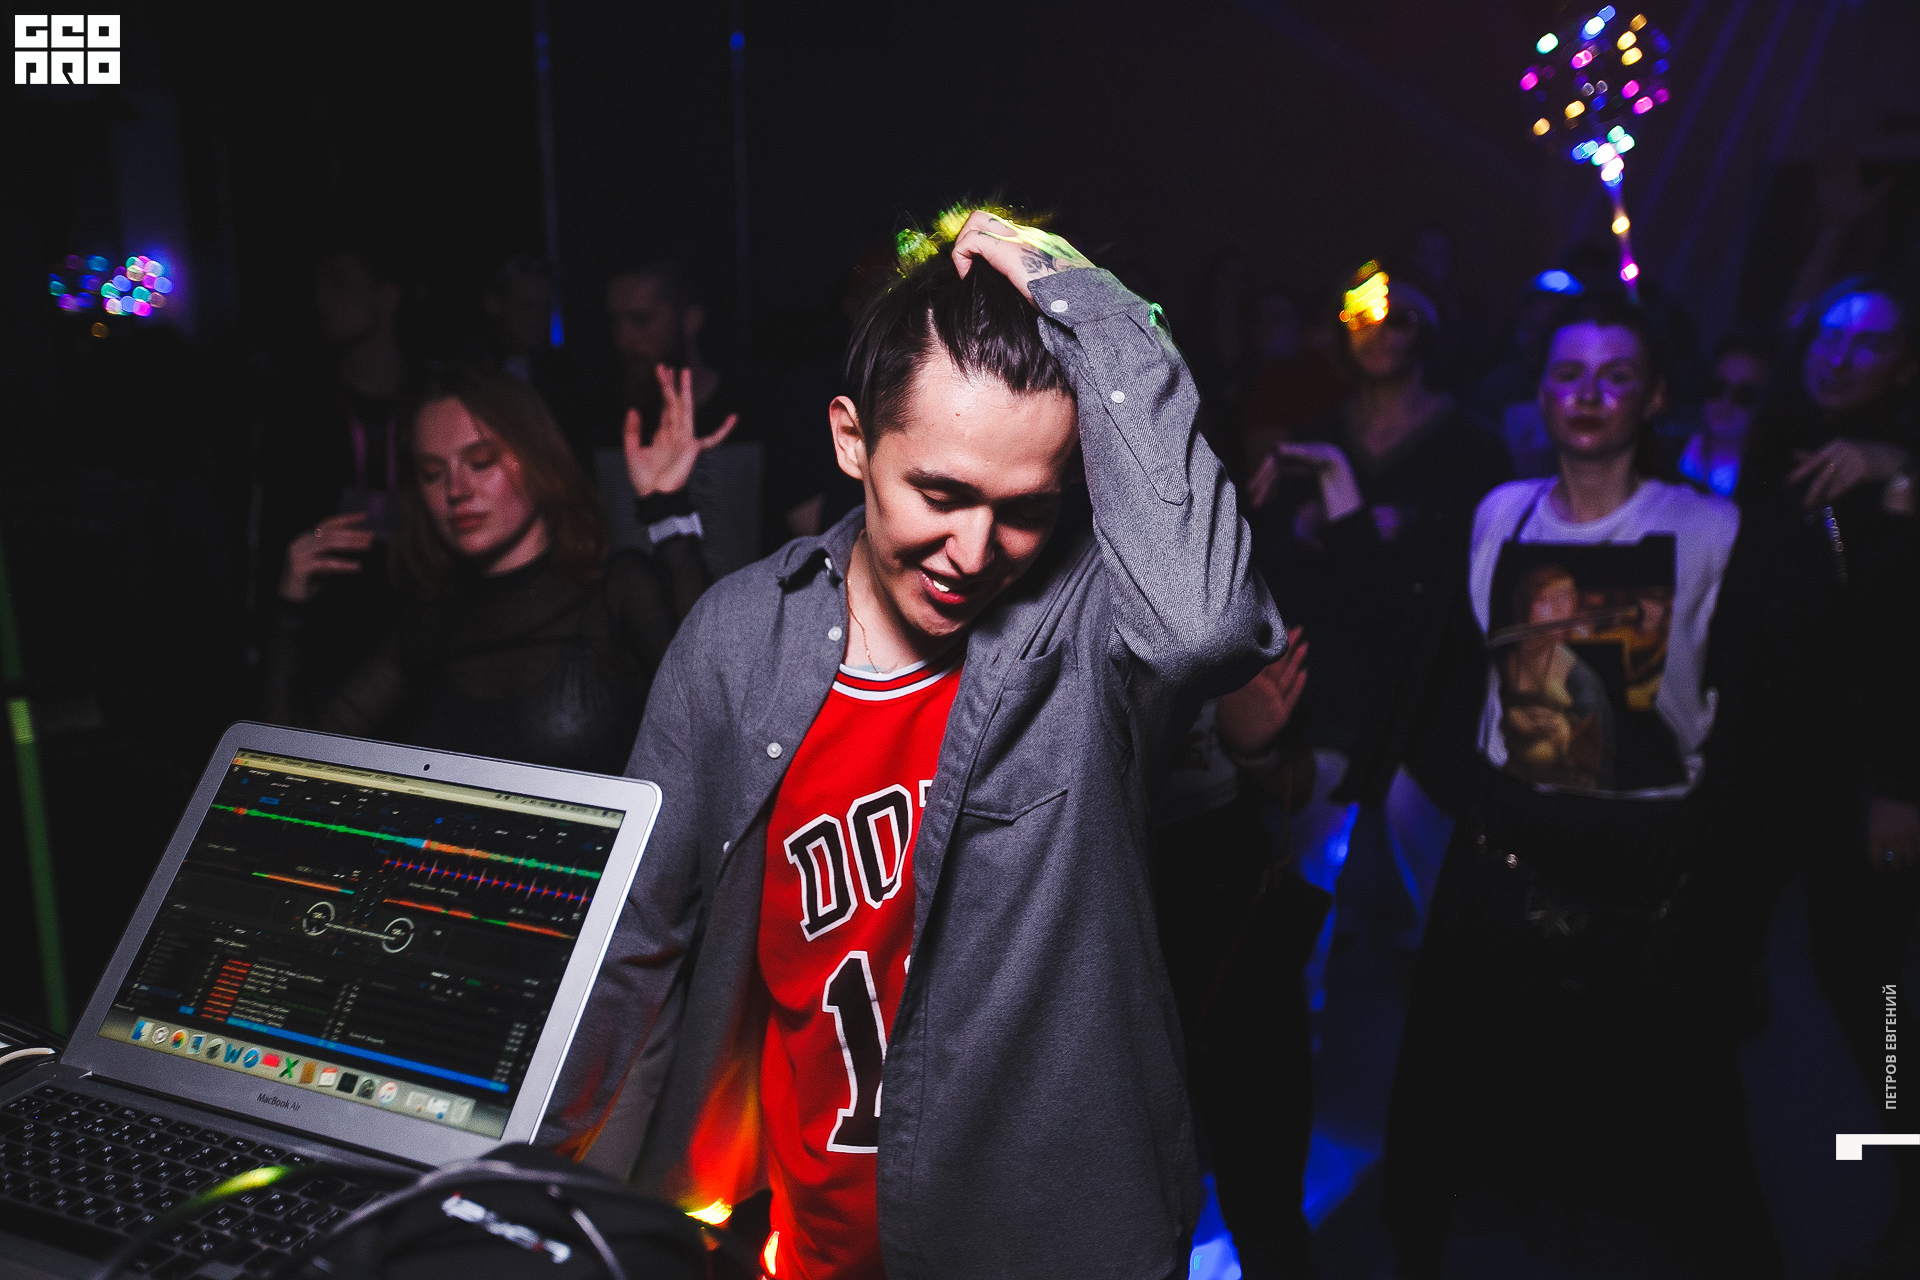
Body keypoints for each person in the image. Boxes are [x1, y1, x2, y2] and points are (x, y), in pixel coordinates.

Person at [540, 207, 1285, 1280]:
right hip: (817, 1241)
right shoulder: (741, 639)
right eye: (940, 493)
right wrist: (544, 1196)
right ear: (851, 439)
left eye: (1024, 509)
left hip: (1050, 1249)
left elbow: (1209, 628)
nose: (975, 552)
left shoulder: (1085, 627)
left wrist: (1088, 302)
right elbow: (633, 941)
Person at [1376, 293, 1780, 1277]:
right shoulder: (1499, 514)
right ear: (1543, 393)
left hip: (1645, 865)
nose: (1589, 394)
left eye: (1615, 375)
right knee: (1478, 1117)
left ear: (1654, 396)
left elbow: (1750, 708)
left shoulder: (1709, 527)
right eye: (1568, 374)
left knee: (1667, 1144)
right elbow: (1448, 672)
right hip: (1509, 853)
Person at [1717, 275, 1918, 1278]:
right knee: (1721, 961)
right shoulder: (1775, 444)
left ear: (1906, 368)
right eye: (1830, 335)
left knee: (1870, 987)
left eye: (1869, 342)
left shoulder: (1897, 477)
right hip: (1761, 759)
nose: (1840, 355)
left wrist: (1902, 784)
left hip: (1862, 771)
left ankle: (1903, 1178)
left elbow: (1901, 648)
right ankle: (1713, 1194)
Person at [261, 363, 720, 775]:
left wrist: (667, 507)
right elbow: (289, 767)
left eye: (480, 462)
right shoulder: (427, 622)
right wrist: (289, 605)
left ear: (538, 460)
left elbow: (719, 705)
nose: (456, 490)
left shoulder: (615, 590)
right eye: (431, 472)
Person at [1245, 259, 1511, 948]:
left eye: (1401, 316)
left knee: (1441, 912)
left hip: (1428, 701)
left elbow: (1466, 587)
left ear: (1431, 330)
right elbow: (1272, 570)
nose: (1380, 329)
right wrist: (1305, 529)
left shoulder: (1476, 448)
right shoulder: (1313, 442)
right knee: (1304, 907)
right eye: (1363, 314)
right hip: (1331, 694)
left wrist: (1357, 527)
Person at [1153, 633, 1324, 1280]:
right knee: (1137, 1223)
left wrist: (1256, 752)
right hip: (1117, 957)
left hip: (1236, 947)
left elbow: (1300, 781)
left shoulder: (1233, 615)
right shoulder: (1057, 613)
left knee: (1267, 1210)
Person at [249, 242, 420, 707]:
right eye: (318, 286)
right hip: (327, 643)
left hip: (424, 630)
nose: (323, 299)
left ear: (387, 295)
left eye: (340, 283)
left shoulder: (434, 404)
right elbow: (269, 535)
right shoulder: (297, 411)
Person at [590, 258, 761, 579]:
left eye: (640, 320)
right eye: (615, 322)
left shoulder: (753, 412)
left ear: (690, 320)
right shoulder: (597, 421)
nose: (622, 339)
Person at [1675, 335, 1770, 497]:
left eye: (1743, 395)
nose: (1725, 402)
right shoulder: (1670, 448)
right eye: (1718, 387)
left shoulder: (1762, 483)